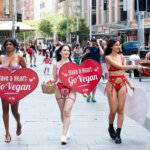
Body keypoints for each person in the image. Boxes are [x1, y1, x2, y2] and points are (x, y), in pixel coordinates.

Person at [104, 39, 143, 144]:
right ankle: (110, 126)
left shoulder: (121, 57)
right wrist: (135, 66)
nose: (119, 46)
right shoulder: (107, 57)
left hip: (122, 85)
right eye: (116, 45)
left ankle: (118, 133)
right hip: (111, 84)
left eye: (119, 45)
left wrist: (130, 85)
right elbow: (120, 67)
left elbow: (122, 72)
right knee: (113, 110)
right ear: (111, 46)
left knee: (121, 110)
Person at [47, 45, 76, 145]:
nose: (67, 52)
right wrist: (50, 81)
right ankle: (66, 129)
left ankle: (63, 135)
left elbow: (78, 79)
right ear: (60, 52)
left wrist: (85, 90)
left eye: (68, 50)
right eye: (64, 50)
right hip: (59, 90)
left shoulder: (73, 64)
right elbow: (55, 78)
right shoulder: (56, 65)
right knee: (62, 111)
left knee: (66, 111)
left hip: (71, 90)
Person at [0, 37, 26, 143]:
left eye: (10, 44)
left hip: (15, 87)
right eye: (6, 44)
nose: (8, 46)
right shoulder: (1, 58)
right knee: (5, 109)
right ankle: (7, 133)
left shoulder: (19, 58)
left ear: (14, 46)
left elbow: (26, 73)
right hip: (4, 87)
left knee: (14, 111)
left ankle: (18, 124)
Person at [80, 37, 104, 102]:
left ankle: (93, 96)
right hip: (88, 68)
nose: (93, 42)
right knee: (88, 82)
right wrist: (85, 53)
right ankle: (89, 95)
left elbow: (102, 53)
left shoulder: (98, 48)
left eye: (95, 41)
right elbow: (81, 57)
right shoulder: (87, 48)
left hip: (96, 68)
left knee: (94, 83)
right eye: (92, 41)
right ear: (90, 41)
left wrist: (99, 44)